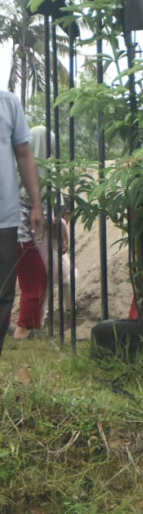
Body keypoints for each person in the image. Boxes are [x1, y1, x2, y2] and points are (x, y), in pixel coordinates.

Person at [0, 87, 44, 359]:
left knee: (4, 293)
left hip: (4, 218)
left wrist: (36, 204)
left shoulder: (8, 103)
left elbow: (25, 154)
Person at [12, 124, 48, 340]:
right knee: (33, 281)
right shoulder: (37, 182)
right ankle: (24, 328)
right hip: (25, 239)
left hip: (12, 236)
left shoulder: (14, 176)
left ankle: (29, 327)